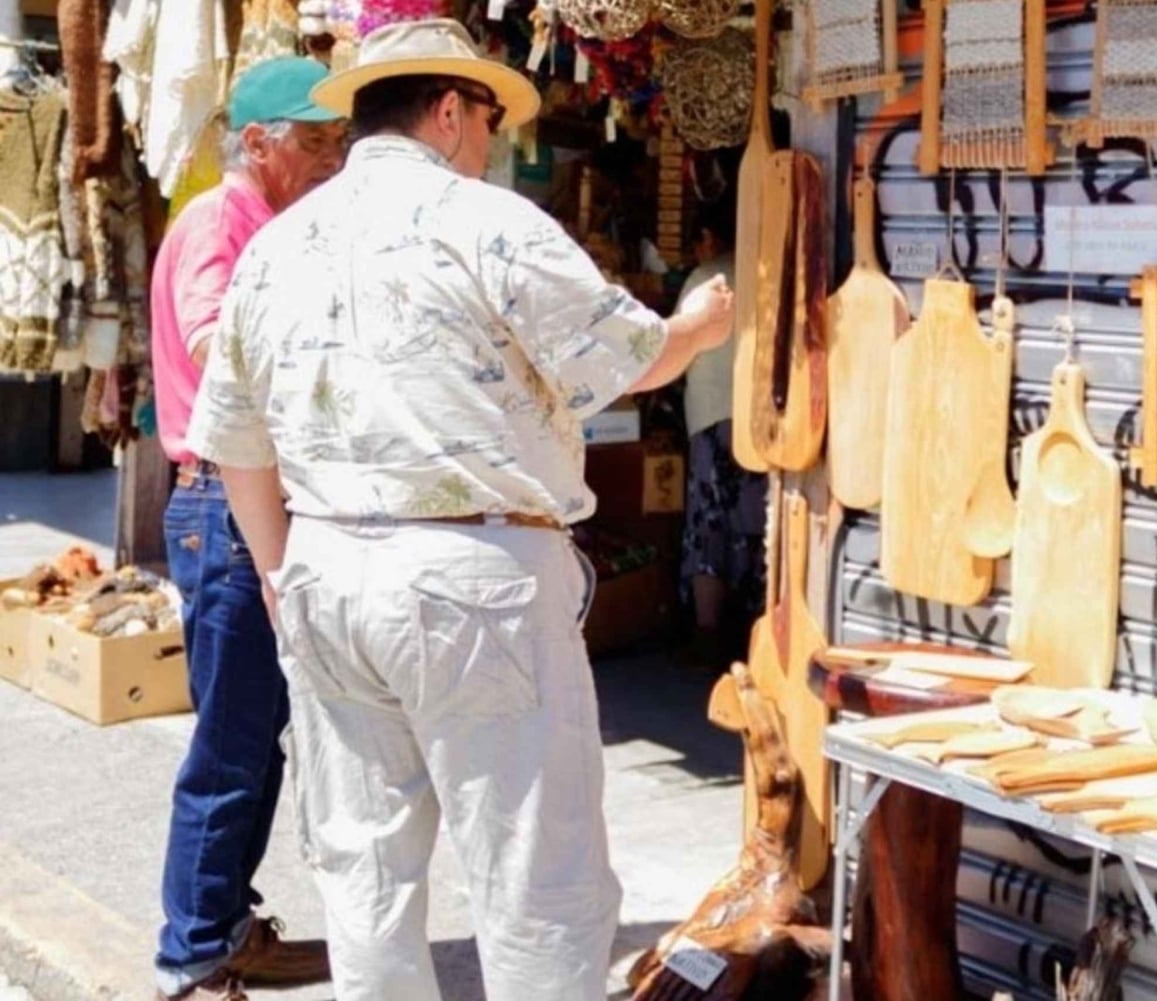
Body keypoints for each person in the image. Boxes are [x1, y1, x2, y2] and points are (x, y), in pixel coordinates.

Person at [184, 19, 735, 1001]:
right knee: (536, 880)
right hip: (469, 578)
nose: (490, 139)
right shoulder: (486, 220)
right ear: (448, 111)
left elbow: (235, 437)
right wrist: (698, 326)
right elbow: (626, 359)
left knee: (364, 878)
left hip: (326, 567)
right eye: (486, 116)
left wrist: (278, 573)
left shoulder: (278, 247)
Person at [149, 57, 346, 1001]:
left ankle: (225, 928)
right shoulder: (219, 218)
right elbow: (212, 339)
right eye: (315, 141)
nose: (332, 159)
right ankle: (191, 958)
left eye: (338, 140)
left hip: (241, 503)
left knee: (255, 738)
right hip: (225, 505)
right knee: (230, 746)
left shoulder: (264, 222)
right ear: (258, 143)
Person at [678, 203, 767, 664]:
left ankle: (708, 631)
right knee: (756, 525)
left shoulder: (705, 280)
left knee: (709, 520)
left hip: (712, 416)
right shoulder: (767, 269)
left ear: (710, 236)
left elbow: (676, 345)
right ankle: (757, 633)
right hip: (759, 418)